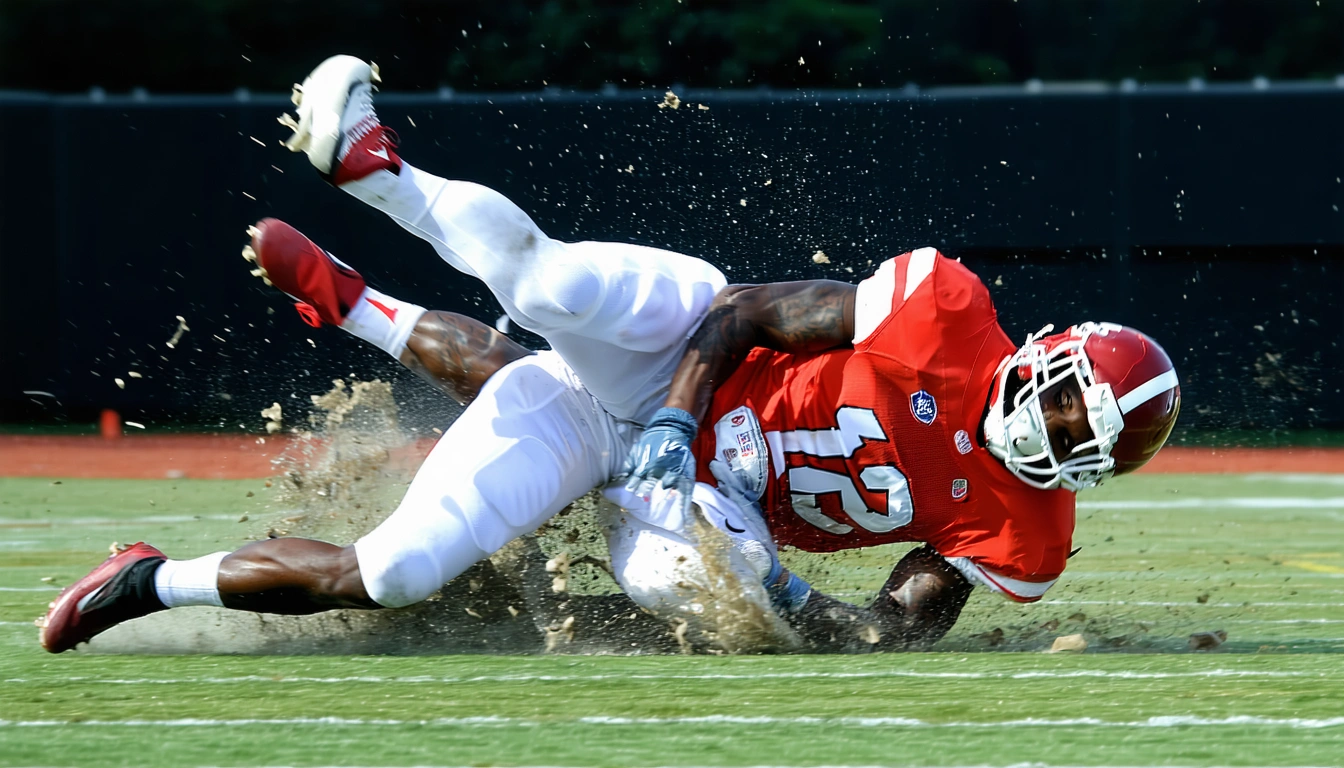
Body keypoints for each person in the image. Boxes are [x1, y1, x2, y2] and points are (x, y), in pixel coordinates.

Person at [39, 55, 1181, 654]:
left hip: (672, 496)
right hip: (688, 352)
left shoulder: (1028, 531)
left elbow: (889, 626)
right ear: (1052, 352)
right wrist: (683, 417)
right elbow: (745, 312)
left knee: (394, 575)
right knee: (546, 287)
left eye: (1094, 444)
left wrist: (780, 595)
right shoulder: (944, 312)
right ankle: (374, 168)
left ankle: (151, 574)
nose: (1069, 431)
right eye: (1082, 403)